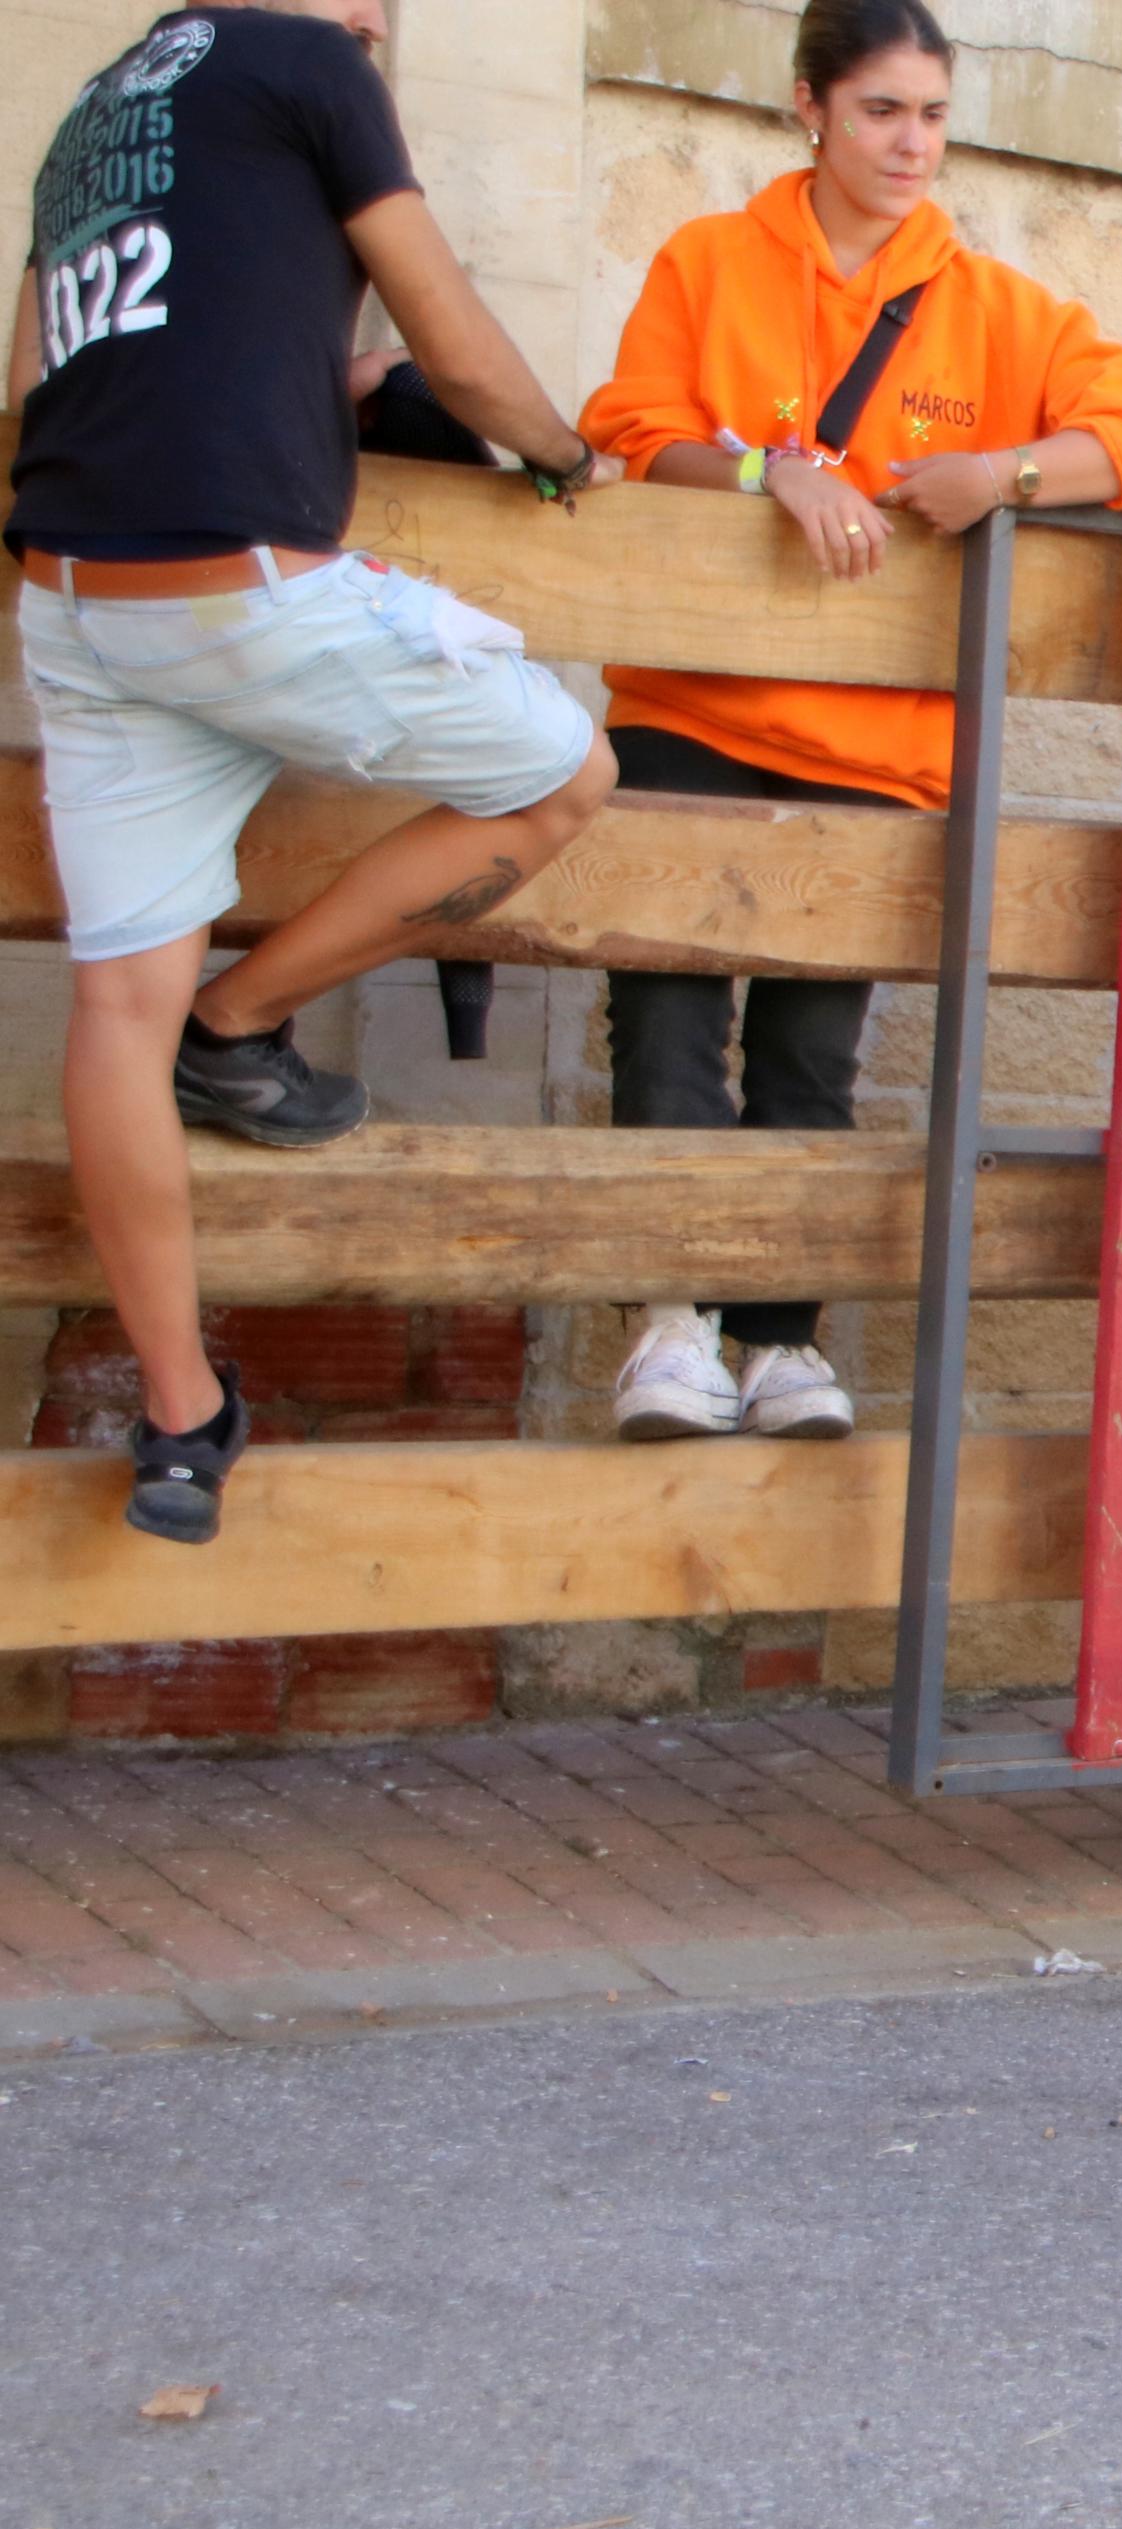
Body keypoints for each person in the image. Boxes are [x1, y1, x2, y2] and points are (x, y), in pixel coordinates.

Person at [11, 0, 618, 1542]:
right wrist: (558, 453)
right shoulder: (309, 67)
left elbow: (41, 385)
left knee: (110, 1004)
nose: (375, 20)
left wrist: (311, 386)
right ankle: (249, 1014)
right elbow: (463, 352)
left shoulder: (95, 112)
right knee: (562, 773)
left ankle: (178, 1414)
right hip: (244, 588)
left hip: (79, 599)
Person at [578, 0, 1122, 1440]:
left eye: (930, 113)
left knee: (808, 1055)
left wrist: (1005, 474)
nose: (911, 143)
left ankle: (777, 1339)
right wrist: (762, 475)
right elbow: (626, 425)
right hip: (691, 708)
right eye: (879, 111)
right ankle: (672, 1326)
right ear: (808, 107)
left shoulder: (999, 309)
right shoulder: (708, 259)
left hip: (874, 748)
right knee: (664, 1028)